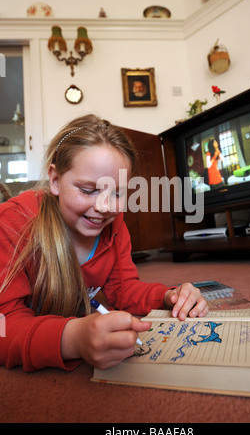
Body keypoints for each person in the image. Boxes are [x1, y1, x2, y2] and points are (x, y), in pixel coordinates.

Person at [0, 114, 208, 372]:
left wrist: (169, 296)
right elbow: (3, 323)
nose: (104, 207)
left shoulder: (115, 225)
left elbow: (124, 289)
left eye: (117, 193)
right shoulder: (14, 222)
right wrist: (73, 338)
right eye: (88, 190)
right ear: (55, 180)